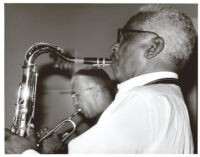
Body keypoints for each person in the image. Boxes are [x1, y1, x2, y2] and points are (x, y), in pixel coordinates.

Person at [5, 4, 196, 154]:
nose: (114, 46)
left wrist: (24, 151)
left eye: (124, 37)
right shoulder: (169, 98)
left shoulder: (142, 100)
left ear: (153, 47)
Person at [5, 68, 116, 154]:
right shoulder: (104, 122)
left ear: (95, 92)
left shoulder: (107, 131)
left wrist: (31, 152)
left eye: (77, 95)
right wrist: (57, 149)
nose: (75, 103)